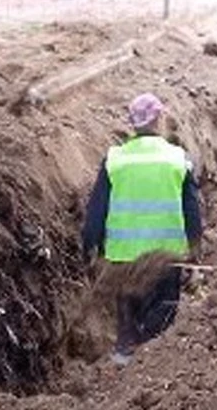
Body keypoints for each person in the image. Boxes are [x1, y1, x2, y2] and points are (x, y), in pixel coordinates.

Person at [81, 93, 204, 364]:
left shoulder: (115, 160)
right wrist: (195, 250)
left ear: (133, 125)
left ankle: (124, 367)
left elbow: (96, 211)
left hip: (123, 260)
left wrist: (90, 247)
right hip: (165, 259)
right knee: (159, 327)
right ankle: (153, 373)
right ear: (159, 119)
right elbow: (192, 210)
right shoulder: (176, 159)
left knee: (127, 328)